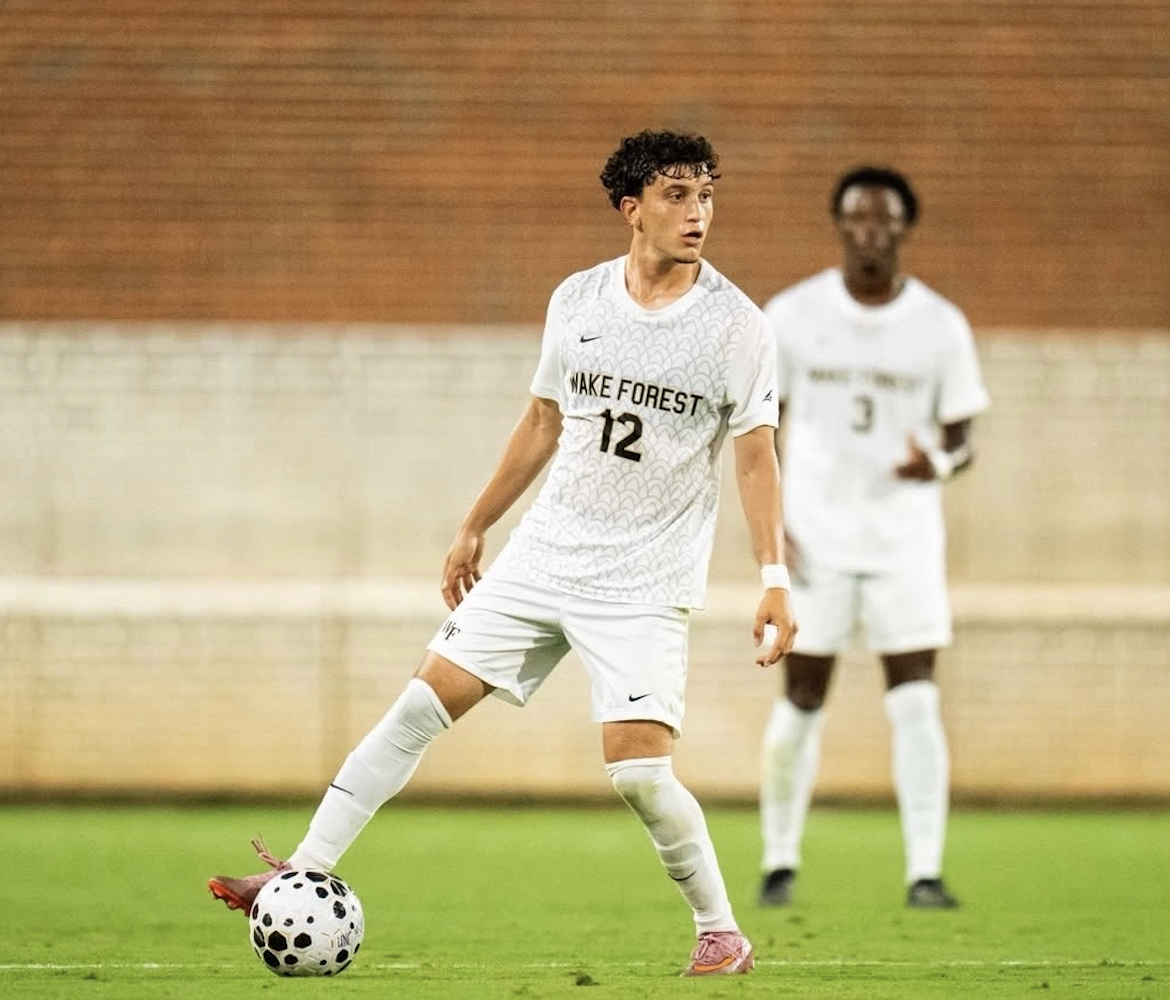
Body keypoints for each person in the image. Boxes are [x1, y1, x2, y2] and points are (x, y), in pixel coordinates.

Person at [210, 128, 798, 977]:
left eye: (705, 194)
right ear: (631, 208)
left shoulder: (739, 327)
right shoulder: (579, 301)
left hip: (642, 578)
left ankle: (720, 930)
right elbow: (543, 423)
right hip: (544, 557)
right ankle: (303, 869)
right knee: (417, 707)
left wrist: (774, 576)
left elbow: (754, 454)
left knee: (636, 774)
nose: (696, 211)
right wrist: (475, 523)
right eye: (675, 194)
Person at [756, 166, 989, 911]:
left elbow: (963, 436)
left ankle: (925, 871)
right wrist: (771, 535)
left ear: (902, 229)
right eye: (855, 220)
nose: (868, 234)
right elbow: (762, 431)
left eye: (882, 222)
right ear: (839, 226)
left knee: (915, 699)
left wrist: (940, 463)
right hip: (815, 540)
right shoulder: (792, 315)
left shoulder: (939, 325)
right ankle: (778, 863)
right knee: (801, 696)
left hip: (902, 541)